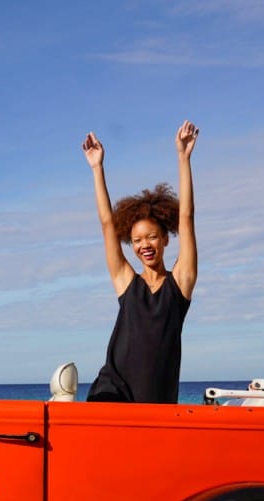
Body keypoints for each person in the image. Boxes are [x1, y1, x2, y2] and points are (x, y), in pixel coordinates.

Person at [81, 121, 199, 403]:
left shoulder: (180, 283)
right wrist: (97, 168)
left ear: (165, 239)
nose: (144, 245)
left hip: (156, 399)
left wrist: (183, 158)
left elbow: (186, 218)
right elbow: (107, 224)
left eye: (152, 237)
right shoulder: (126, 283)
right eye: (137, 240)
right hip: (113, 391)